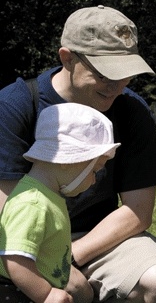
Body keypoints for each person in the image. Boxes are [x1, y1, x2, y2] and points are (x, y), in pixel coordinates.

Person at [0, 5, 156, 302]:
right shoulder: (14, 105)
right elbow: (7, 214)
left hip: (99, 239)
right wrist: (50, 265)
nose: (117, 86)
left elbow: (138, 211)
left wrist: (70, 257)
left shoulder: (132, 110)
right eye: (105, 73)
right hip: (25, 242)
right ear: (67, 58)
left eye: (126, 74)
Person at [0, 103, 120, 303]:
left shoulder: (48, 196)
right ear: (68, 160)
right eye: (94, 171)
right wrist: (46, 294)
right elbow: (15, 259)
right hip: (19, 294)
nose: (94, 180)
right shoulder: (32, 202)